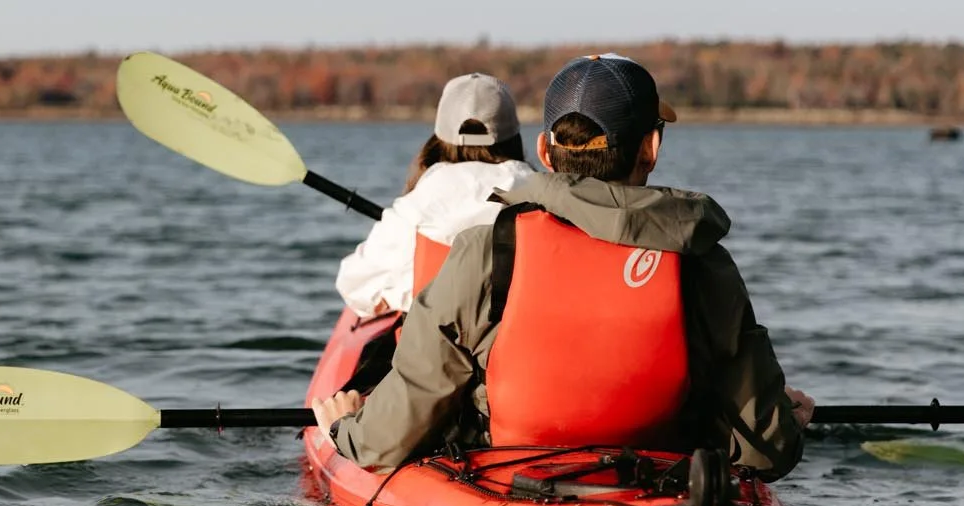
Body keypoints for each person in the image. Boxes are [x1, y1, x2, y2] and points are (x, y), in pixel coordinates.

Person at [314, 53, 814, 475]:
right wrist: (783, 422)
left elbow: (390, 438)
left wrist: (346, 427)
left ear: (544, 152)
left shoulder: (485, 251)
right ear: (651, 147)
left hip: (510, 468)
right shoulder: (704, 264)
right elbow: (764, 451)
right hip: (656, 476)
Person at [334, 72, 534, 318]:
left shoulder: (416, 206)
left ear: (439, 139)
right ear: (514, 136)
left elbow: (354, 285)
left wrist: (398, 293)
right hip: (522, 343)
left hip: (438, 350)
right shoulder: (543, 197)